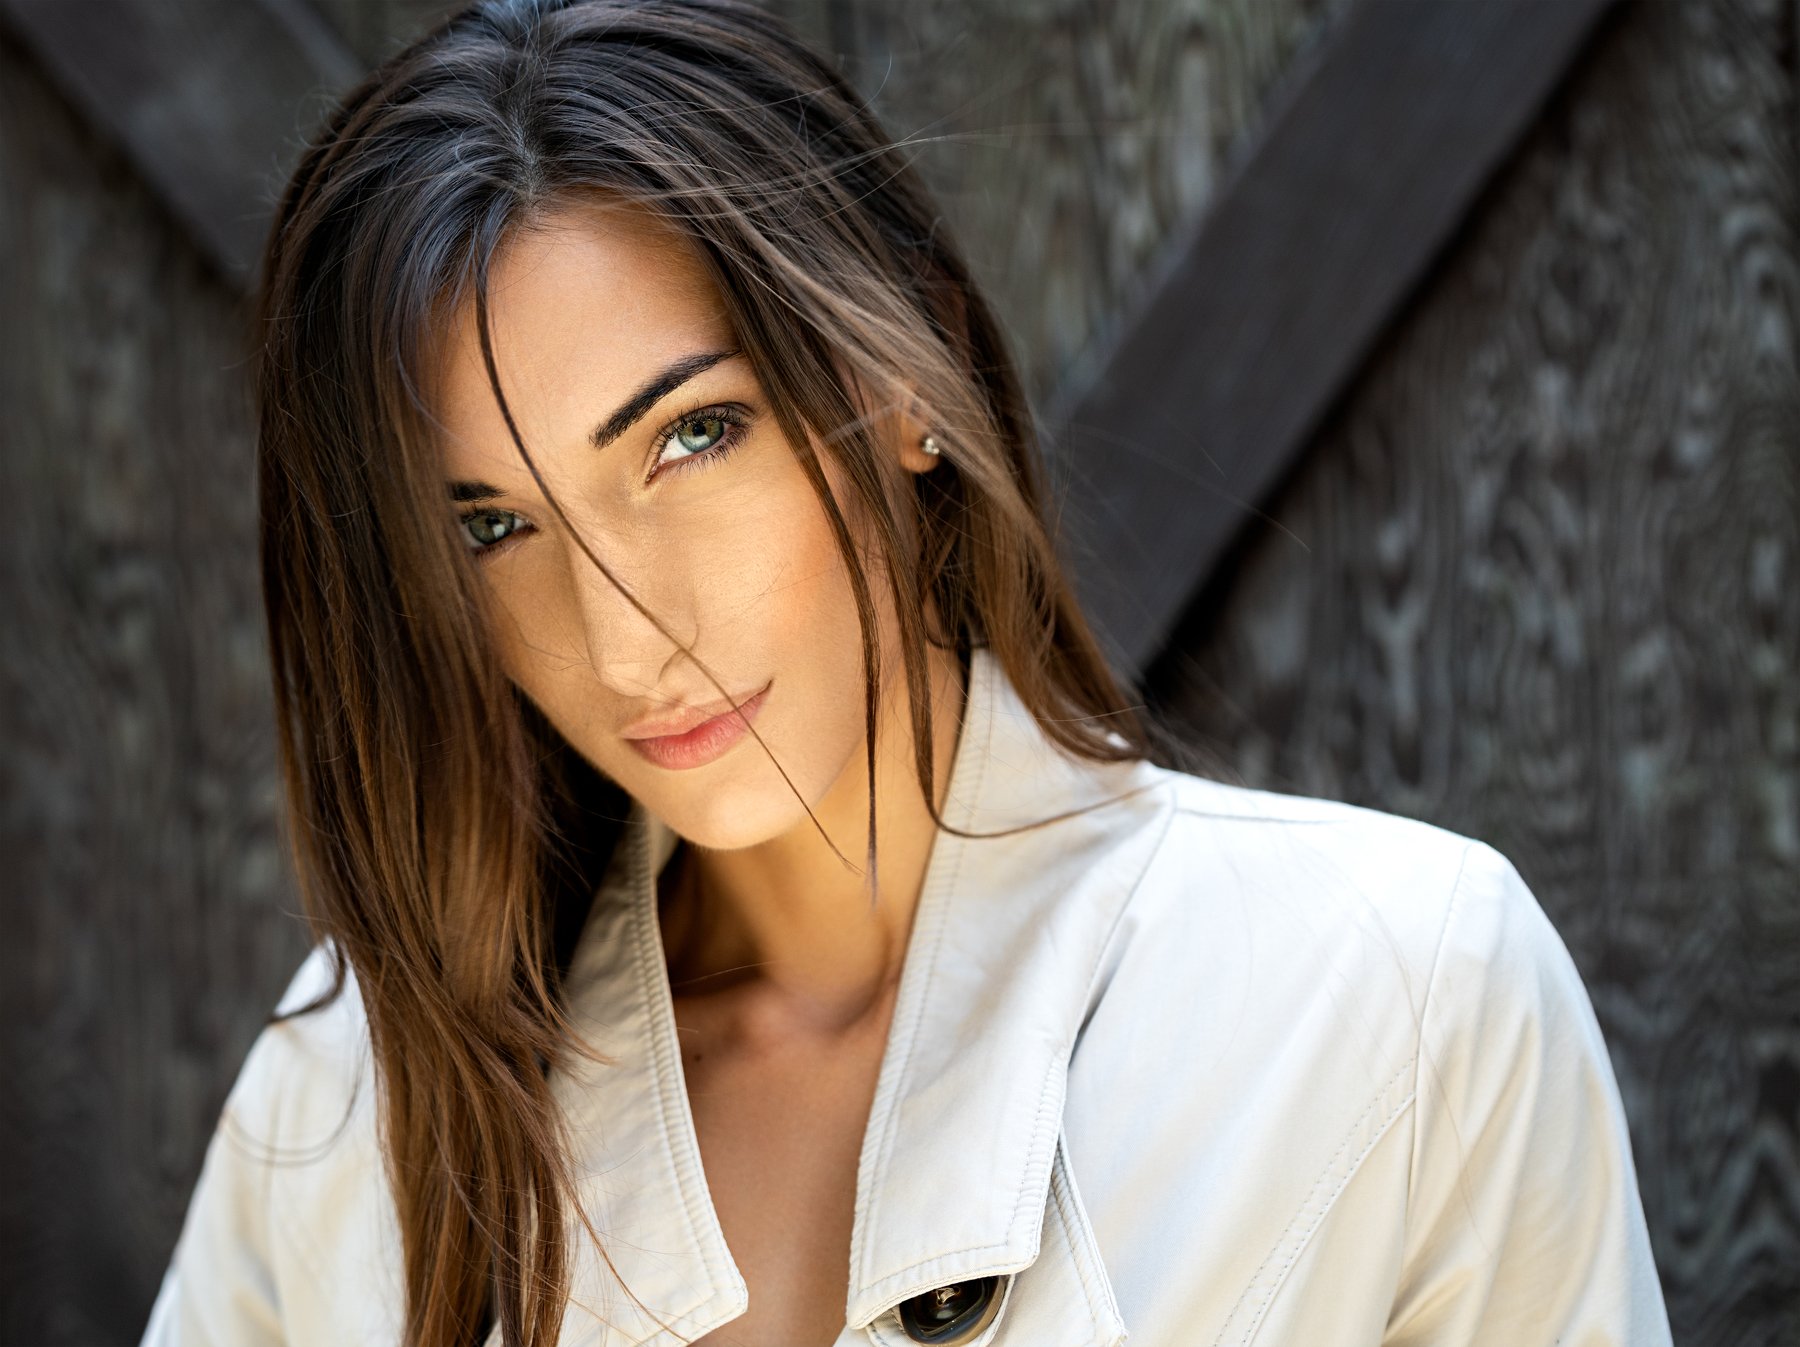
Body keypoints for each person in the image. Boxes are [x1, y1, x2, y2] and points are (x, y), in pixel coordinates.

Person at [139, 1, 1673, 1344]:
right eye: (491, 526)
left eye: (690, 437)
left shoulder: (1393, 989)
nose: (621, 638)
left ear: (902, 381)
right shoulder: (354, 1089)